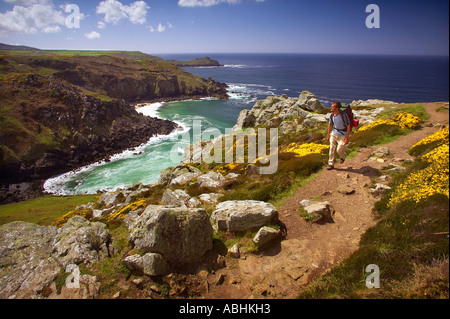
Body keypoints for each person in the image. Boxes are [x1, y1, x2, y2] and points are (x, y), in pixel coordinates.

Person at [327, 101, 351, 170]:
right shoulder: (331, 115)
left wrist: (347, 138)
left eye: (332, 107)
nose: (331, 108)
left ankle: (343, 157)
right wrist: (328, 135)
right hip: (334, 133)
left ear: (337, 108)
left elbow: (348, 126)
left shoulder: (343, 115)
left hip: (342, 135)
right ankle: (330, 164)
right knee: (331, 148)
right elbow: (330, 125)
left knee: (339, 150)